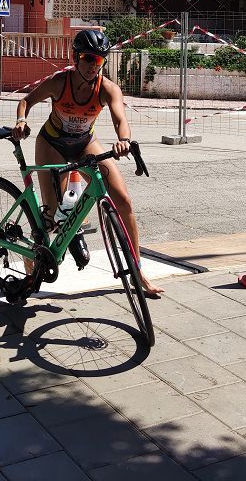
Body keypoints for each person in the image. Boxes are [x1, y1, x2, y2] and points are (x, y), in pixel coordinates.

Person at [12, 29, 163, 297]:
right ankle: (30, 256)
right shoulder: (60, 82)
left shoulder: (107, 88)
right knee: (53, 214)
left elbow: (119, 119)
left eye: (100, 60)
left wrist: (123, 139)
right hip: (52, 144)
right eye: (88, 58)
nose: (94, 65)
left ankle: (138, 271)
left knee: (123, 201)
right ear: (75, 57)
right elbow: (26, 101)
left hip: (84, 143)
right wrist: (21, 121)